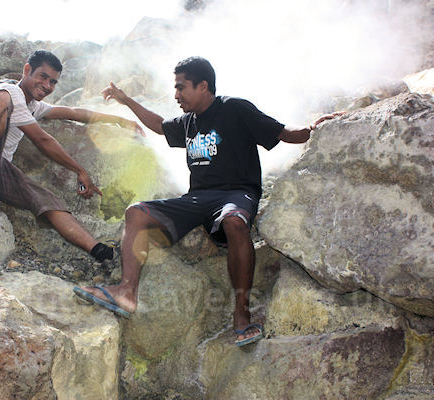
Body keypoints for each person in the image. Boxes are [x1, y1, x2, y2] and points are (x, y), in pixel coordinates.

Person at [73, 56, 341, 346]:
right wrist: (126, 101)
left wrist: (313, 129)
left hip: (237, 193)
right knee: (136, 213)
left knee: (234, 221)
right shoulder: (188, 122)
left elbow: (283, 133)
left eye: (181, 87)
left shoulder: (234, 108)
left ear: (203, 86)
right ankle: (126, 292)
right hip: (198, 199)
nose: (176, 95)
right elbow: (161, 126)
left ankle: (242, 313)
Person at [0, 50, 143, 264]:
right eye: (42, 76)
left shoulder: (34, 106)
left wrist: (118, 120)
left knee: (46, 200)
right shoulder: (9, 91)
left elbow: (74, 112)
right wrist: (79, 170)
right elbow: (42, 140)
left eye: (53, 82)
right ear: (26, 70)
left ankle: (100, 252)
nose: (47, 85)